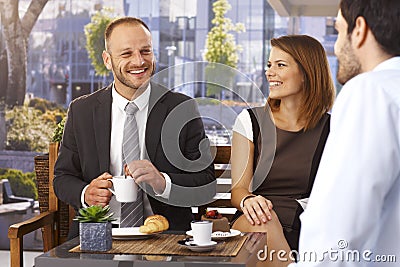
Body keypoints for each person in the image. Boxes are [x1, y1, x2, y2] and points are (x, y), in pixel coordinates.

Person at [53, 17, 215, 238]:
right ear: (108, 60)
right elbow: (63, 178)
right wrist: (85, 193)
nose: (139, 61)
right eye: (126, 54)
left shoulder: (182, 108)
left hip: (166, 234)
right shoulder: (82, 110)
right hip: (97, 233)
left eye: (145, 51)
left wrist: (162, 182)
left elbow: (205, 182)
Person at [291, 0, 400, 266]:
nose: (337, 47)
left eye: (339, 30)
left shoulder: (371, 91)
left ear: (359, 29)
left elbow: (336, 232)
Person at [230, 35, 336, 251]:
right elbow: (238, 189)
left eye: (280, 65)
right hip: (253, 219)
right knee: (265, 222)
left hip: (304, 223)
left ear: (307, 73)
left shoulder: (332, 129)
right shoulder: (250, 121)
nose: (270, 72)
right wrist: (248, 201)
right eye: (269, 65)